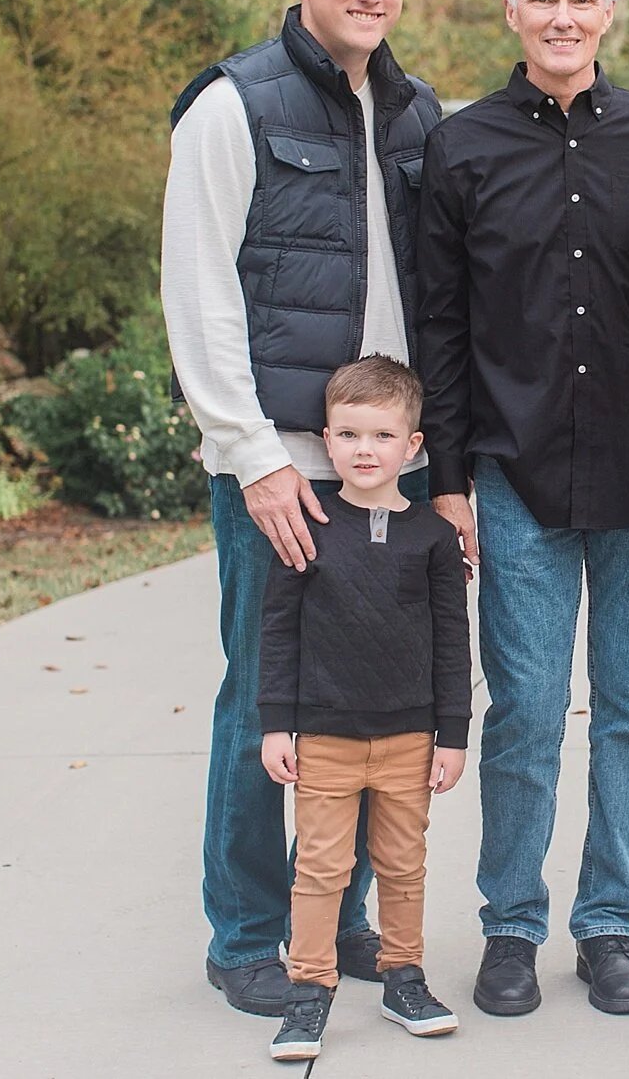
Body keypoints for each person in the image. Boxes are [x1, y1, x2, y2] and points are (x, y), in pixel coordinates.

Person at [161, 0, 442, 1017]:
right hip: (280, 465)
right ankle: (244, 931)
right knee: (266, 697)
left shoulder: (416, 113)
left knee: (375, 703)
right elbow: (198, 292)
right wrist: (251, 455)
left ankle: (343, 916)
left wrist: (438, 466)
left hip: (392, 467)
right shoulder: (232, 106)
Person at [416, 0, 629, 1018]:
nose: (563, 18)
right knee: (524, 707)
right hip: (513, 473)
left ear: (608, 13)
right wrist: (445, 478)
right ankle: (511, 926)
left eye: (581, 0)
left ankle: (610, 920)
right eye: (544, 0)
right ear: (511, 12)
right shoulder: (460, 146)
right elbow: (439, 323)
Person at [257, 357, 471, 1062]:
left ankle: (402, 977)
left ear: (413, 446)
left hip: (410, 736)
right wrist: (274, 725)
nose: (364, 450)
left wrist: (453, 735)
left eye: (382, 435)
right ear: (325, 439)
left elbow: (451, 639)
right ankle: (309, 991)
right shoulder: (307, 527)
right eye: (348, 434)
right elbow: (278, 633)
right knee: (320, 869)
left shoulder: (433, 538)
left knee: (403, 865)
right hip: (325, 735)